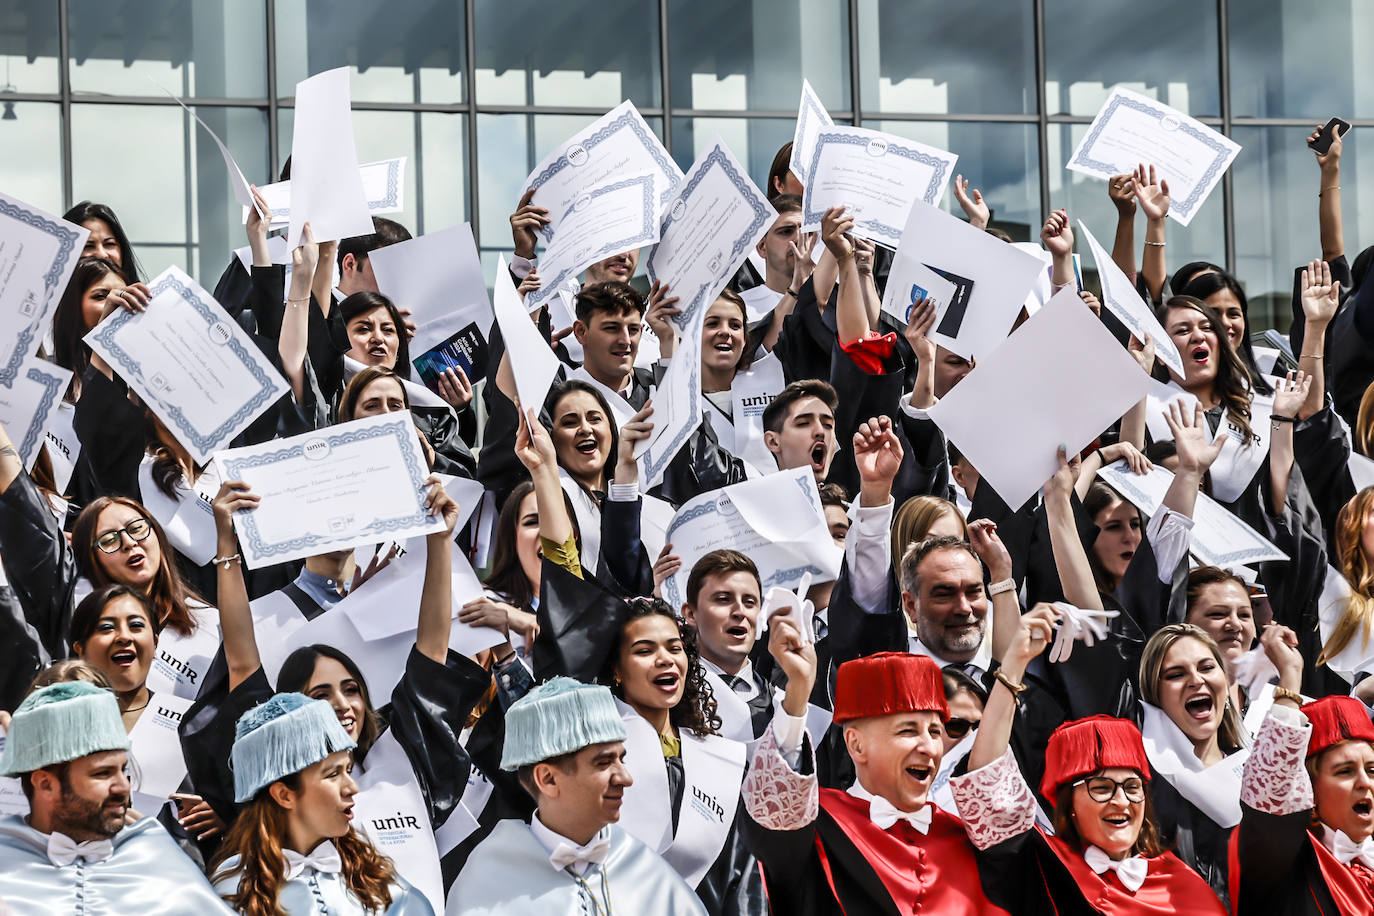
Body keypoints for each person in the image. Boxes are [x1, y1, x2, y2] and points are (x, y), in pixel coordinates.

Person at [950, 606, 1227, 915]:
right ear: (1068, 802)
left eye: (1132, 787)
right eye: (1102, 787)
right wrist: (1013, 665)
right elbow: (986, 783)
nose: (1122, 801)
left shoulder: (1183, 885)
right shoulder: (1040, 864)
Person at [741, 650, 1006, 914]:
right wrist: (797, 695)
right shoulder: (818, 824)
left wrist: (1012, 671)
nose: (929, 747)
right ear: (856, 745)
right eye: (908, 730)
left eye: (936, 731)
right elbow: (774, 822)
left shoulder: (967, 839)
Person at [447, 677, 706, 914]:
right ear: (547, 779)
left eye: (622, 759)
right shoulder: (486, 882)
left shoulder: (646, 870)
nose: (625, 778)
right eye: (604, 763)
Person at [0, 680, 230, 913]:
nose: (123, 787)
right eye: (102, 773)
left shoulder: (155, 856)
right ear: (46, 784)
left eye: (123, 770)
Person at [211, 692, 433, 915]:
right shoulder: (231, 894)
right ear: (284, 795)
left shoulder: (382, 887)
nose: (352, 787)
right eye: (333, 774)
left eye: (348, 769)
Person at [1233, 689, 1374, 914]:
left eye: (1372, 770)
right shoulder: (1285, 859)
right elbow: (1271, 791)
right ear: (1310, 790)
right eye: (1345, 772)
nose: (1364, 782)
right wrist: (1289, 686)